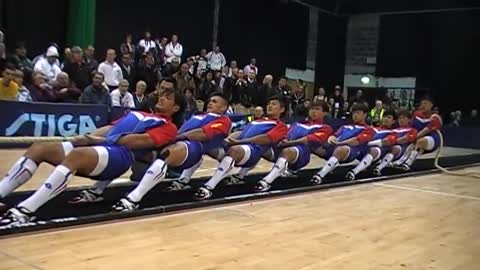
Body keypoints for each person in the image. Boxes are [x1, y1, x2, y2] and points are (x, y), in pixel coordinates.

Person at [0, 86, 185, 224]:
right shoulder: (138, 113)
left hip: (120, 157)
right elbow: (110, 128)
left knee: (77, 156)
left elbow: (135, 142)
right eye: (162, 95)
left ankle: (25, 210)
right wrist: (88, 137)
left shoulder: (169, 128)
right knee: (38, 149)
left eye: (168, 98)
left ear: (176, 108)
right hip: (104, 147)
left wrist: (97, 141)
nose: (162, 98)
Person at [109, 93, 232, 211]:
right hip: (180, 143)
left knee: (167, 154)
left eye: (215, 102)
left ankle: (133, 199)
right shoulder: (197, 115)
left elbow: (202, 133)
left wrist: (176, 137)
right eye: (210, 100)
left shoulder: (224, 120)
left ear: (223, 107)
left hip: (192, 146)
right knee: (134, 151)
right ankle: (98, 190)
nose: (210, 103)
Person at [194, 96, 288, 200]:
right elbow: (240, 133)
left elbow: (266, 138)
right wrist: (227, 140)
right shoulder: (255, 121)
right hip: (242, 146)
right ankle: (183, 178)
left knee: (234, 150)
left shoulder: (281, 125)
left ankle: (209, 187)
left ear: (282, 109)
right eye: (269, 103)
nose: (270, 106)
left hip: (253, 151)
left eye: (274, 104)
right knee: (202, 145)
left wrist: (240, 142)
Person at [254, 100, 333, 192]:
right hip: (285, 147)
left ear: (325, 113)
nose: (313, 111)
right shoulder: (297, 124)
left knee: (287, 151)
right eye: (312, 109)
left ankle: (266, 181)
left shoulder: (325, 128)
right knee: (259, 145)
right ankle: (240, 175)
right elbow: (286, 135)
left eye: (317, 109)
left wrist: (289, 143)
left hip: (302, 153)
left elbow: (307, 140)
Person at [310, 103, 374, 184]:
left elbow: (356, 141)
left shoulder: (368, 129)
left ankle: (320, 175)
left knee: (341, 149)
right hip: (334, 147)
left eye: (358, 113)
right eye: (353, 113)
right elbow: (335, 135)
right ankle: (291, 168)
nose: (355, 115)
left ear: (365, 115)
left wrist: (340, 143)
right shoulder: (344, 127)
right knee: (310, 144)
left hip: (351, 151)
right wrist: (331, 139)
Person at [344, 109, 397, 181]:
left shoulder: (392, 133)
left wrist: (367, 143)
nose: (386, 119)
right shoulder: (372, 128)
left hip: (378, 152)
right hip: (364, 149)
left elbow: (385, 142)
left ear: (393, 121)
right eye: (384, 117)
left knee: (373, 150)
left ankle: (354, 172)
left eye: (389, 117)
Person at [396, 96, 442, 171]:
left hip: (433, 139)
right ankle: (400, 161)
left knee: (420, 142)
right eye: (422, 103)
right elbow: (412, 128)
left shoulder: (435, 117)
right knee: (410, 145)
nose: (423, 105)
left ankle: (408, 163)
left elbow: (425, 131)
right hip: (418, 138)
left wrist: (412, 138)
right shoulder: (416, 114)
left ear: (431, 105)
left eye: (425, 103)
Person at [372, 109, 417, 176]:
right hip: (388, 148)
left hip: (401, 151)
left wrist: (393, 141)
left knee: (395, 147)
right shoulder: (393, 130)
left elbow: (406, 139)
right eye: (400, 118)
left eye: (404, 118)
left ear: (409, 120)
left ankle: (379, 168)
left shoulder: (412, 130)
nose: (401, 120)